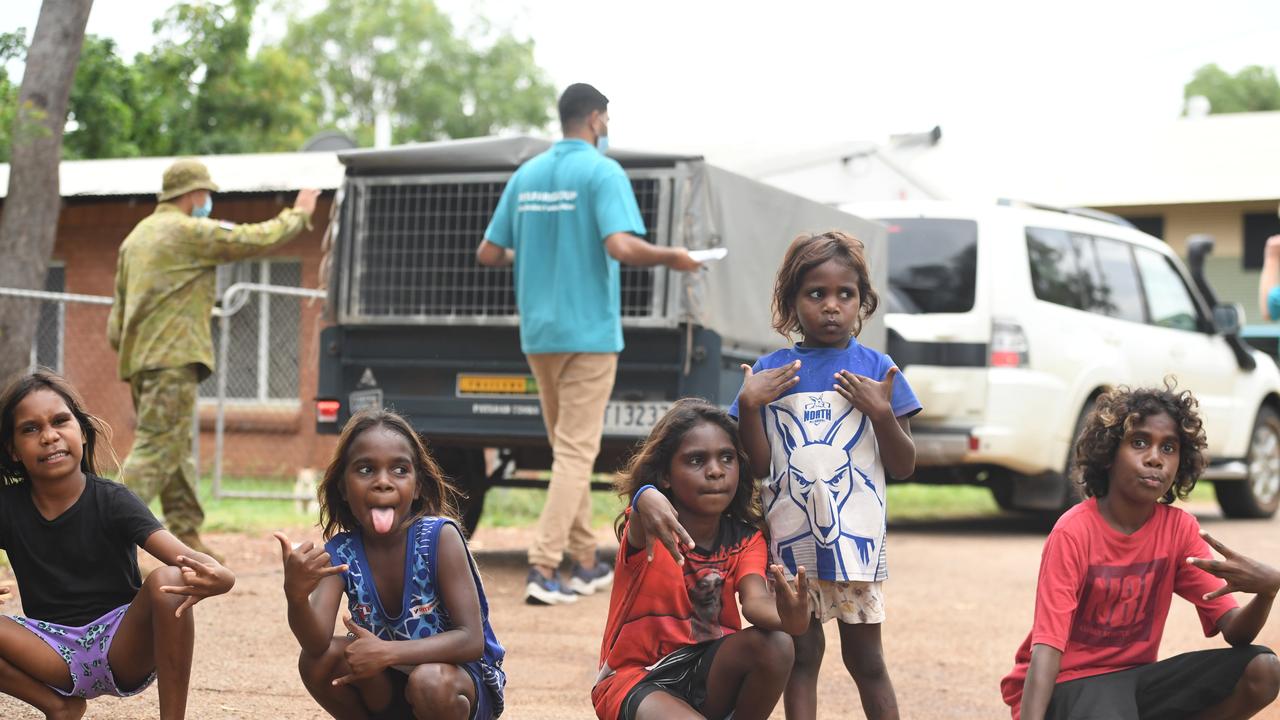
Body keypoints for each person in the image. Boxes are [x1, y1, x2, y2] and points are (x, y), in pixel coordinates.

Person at [636, 230, 920, 720]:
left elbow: (903, 464)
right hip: (790, 547)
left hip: (856, 546)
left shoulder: (879, 370)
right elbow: (761, 464)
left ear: (862, 302)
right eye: (816, 294)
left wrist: (882, 413)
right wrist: (748, 405)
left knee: (867, 662)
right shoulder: (772, 371)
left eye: (845, 294)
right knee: (802, 659)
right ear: (792, 301)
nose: (831, 306)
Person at [476, 83, 701, 605]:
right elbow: (620, 246)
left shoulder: (527, 175)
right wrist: (675, 257)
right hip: (590, 332)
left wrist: (530, 256)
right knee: (577, 452)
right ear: (597, 120)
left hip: (540, 332)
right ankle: (543, 566)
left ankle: (583, 560)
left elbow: (489, 252)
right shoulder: (602, 172)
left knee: (565, 451)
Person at [1001, 384, 1280, 720]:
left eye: (1169, 448)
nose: (1154, 458)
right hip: (1069, 683)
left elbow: (1236, 632)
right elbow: (1046, 649)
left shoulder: (1179, 530)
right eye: (1139, 442)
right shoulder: (1073, 532)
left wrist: (1267, 591)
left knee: (1263, 670)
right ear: (1108, 453)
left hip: (1134, 682)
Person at [107, 158, 320, 561]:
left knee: (175, 446)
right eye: (206, 194)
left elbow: (116, 316)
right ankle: (100, 532)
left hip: (140, 359)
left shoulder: (135, 238)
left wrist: (130, 350)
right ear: (192, 195)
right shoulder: (186, 231)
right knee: (157, 447)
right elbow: (252, 238)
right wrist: (299, 214)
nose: (208, 202)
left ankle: (186, 534)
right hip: (173, 356)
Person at [0, 370, 235, 720]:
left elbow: (185, 559)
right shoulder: (7, 505)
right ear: (13, 450)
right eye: (30, 429)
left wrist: (221, 577)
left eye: (60, 421)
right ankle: (58, 706)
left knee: (167, 580)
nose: (49, 436)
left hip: (121, 645)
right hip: (50, 650)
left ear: (81, 430)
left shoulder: (113, 500)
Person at [277, 408, 506, 719]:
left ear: (419, 486)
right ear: (343, 487)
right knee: (318, 661)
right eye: (366, 470)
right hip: (388, 686)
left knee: (429, 681)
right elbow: (316, 644)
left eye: (399, 470)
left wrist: (387, 652)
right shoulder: (342, 551)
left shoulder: (439, 538)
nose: (383, 482)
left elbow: (471, 640)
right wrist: (296, 596)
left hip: (457, 684)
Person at [593, 398, 811, 720]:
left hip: (708, 671)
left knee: (778, 644)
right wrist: (644, 495)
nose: (715, 471)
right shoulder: (650, 528)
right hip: (635, 678)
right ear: (666, 475)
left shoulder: (745, 538)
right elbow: (643, 510)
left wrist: (791, 618)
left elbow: (754, 603)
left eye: (727, 458)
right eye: (696, 460)